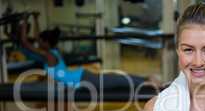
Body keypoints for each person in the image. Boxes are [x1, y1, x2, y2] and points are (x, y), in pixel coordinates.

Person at [19, 13, 160, 90]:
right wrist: (36, 19)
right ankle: (146, 79)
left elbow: (25, 42)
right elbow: (37, 38)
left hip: (82, 80)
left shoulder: (48, 56)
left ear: (46, 43)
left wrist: (25, 22)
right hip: (81, 77)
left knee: (116, 80)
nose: (38, 42)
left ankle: (147, 82)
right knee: (115, 78)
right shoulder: (52, 51)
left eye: (41, 41)